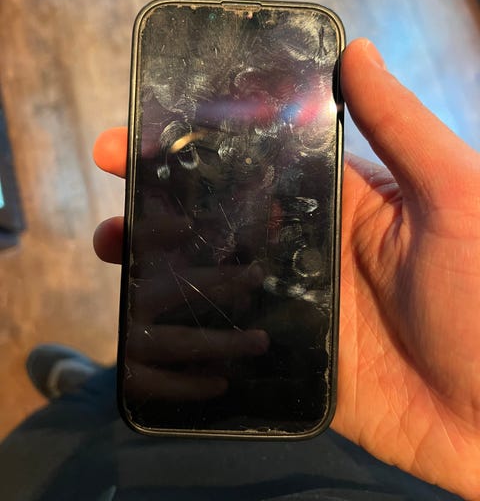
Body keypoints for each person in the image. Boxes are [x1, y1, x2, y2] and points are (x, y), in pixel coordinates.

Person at [0, 38, 478, 500]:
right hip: (349, 463)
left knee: (57, 446)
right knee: (141, 374)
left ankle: (90, 395)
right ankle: (95, 394)